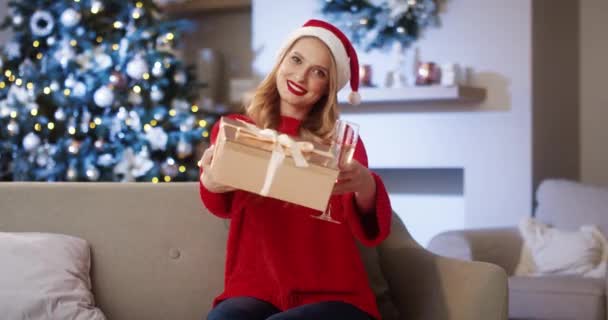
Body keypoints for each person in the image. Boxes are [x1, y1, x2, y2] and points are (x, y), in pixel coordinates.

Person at [198, 19, 392, 320]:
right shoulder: (236, 130)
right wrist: (211, 183)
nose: (301, 75)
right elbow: (221, 204)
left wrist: (366, 185)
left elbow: (364, 224)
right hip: (254, 291)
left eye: (319, 72)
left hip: (337, 298)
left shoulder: (341, 143)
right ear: (281, 61)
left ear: (328, 86)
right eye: (297, 59)